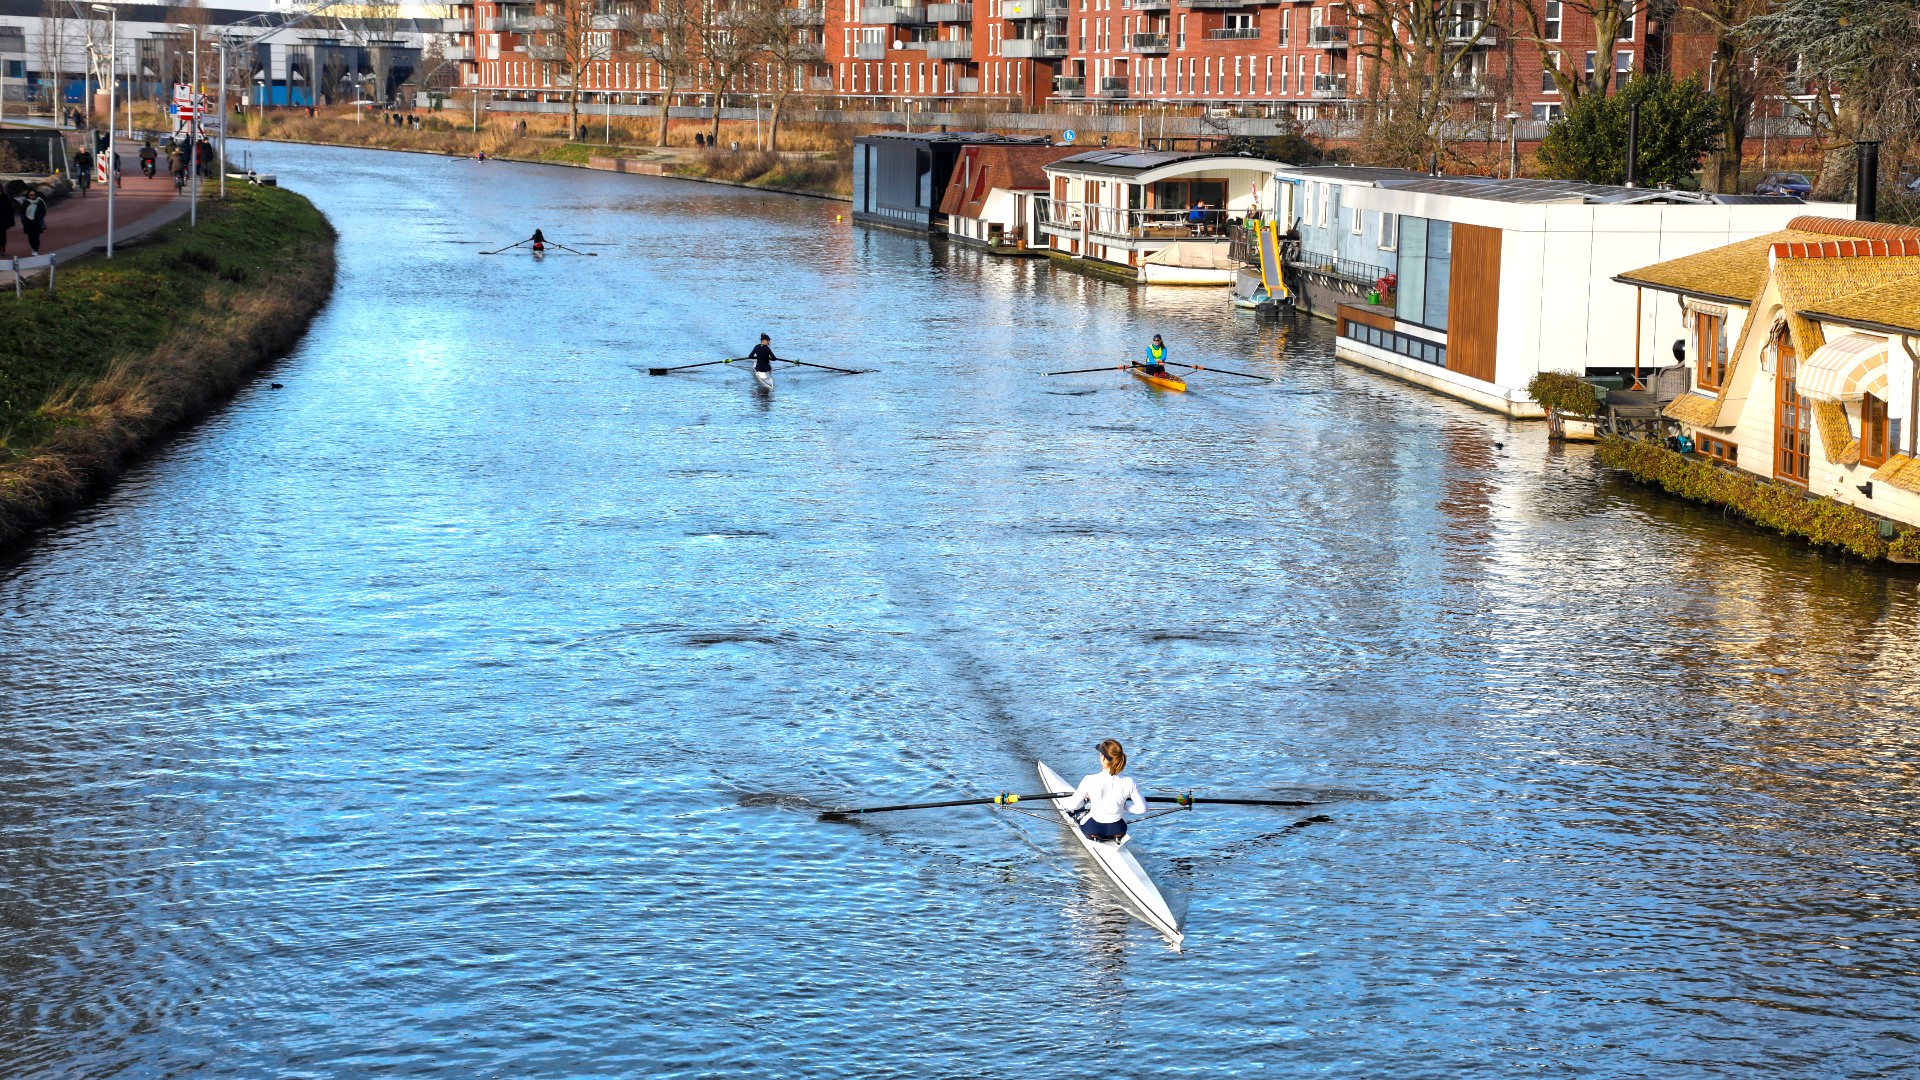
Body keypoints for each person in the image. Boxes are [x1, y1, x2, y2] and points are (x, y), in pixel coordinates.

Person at [1062, 739, 1146, 841]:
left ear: (1103, 757)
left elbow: (1072, 806)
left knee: (1076, 812)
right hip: (1119, 829)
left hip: (1094, 828)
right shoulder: (1129, 782)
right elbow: (1142, 809)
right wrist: (1125, 806)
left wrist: (1085, 800)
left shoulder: (1089, 780)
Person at [20, 189, 48, 255]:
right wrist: (23, 220)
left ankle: (36, 249)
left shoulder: (40, 202)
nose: (32, 196)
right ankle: (33, 247)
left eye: (33, 195)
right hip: (28, 222)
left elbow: (44, 212)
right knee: (30, 237)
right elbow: (22, 212)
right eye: (30, 195)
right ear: (28, 195)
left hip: (37, 222)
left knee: (36, 237)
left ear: (36, 195)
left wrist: (38, 216)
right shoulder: (26, 202)